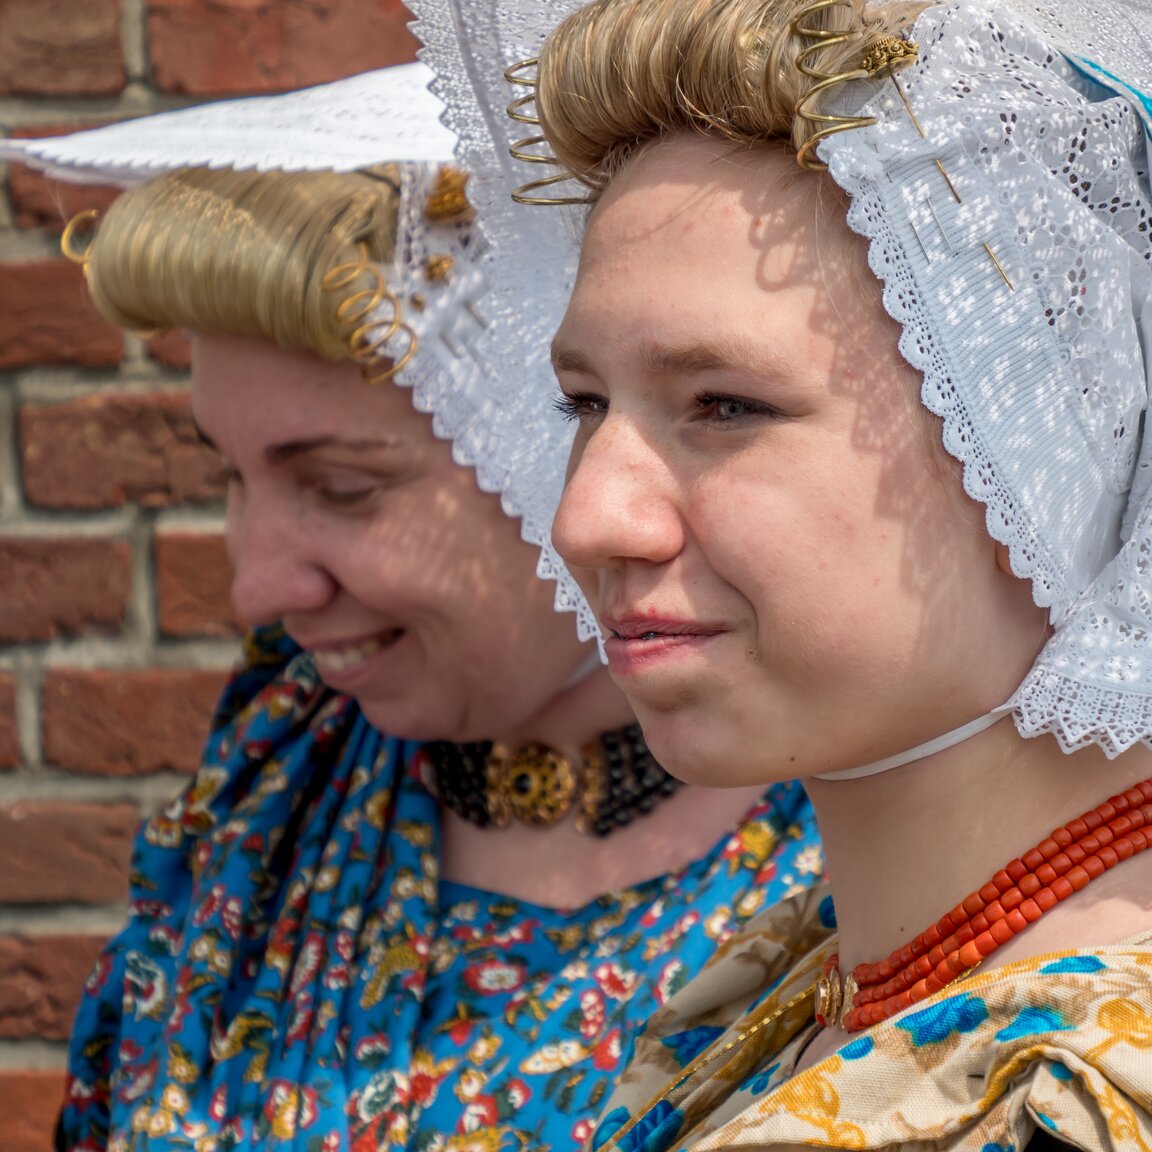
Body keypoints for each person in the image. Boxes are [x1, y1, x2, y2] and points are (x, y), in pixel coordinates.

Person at [5, 65, 823, 1152]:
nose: (258, 586)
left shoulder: (870, 868)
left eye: (344, 487)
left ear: (559, 452)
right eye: (231, 476)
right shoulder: (282, 760)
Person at [412, 0, 1152, 1145]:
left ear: (1054, 434)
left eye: (726, 406)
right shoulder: (793, 981)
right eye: (584, 404)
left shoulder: (1073, 1101)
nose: (587, 518)